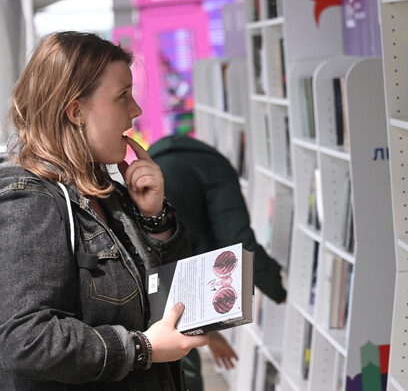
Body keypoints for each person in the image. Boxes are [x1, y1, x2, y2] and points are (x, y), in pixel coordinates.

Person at [0, 31, 209, 390]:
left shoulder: (107, 191)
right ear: (76, 112)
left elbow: (168, 300)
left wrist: (155, 218)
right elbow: (26, 339)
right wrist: (141, 348)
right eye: (122, 96)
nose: (136, 111)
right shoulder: (31, 199)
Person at [148, 134, 288, 390]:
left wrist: (210, 335)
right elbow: (239, 243)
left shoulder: (150, 168)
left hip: (150, 276)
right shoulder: (215, 169)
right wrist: (281, 291)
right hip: (175, 283)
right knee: (182, 368)